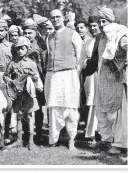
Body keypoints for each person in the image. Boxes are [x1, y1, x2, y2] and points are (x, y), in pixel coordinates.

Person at [82, 6, 127, 155]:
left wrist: (125, 61)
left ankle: (119, 144)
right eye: (100, 21)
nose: (101, 25)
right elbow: (95, 58)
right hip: (102, 79)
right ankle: (105, 141)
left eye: (104, 21)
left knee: (118, 114)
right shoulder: (100, 37)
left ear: (111, 21)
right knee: (101, 112)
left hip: (117, 79)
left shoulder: (120, 34)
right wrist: (85, 69)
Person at [44, 9, 83, 151]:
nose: (55, 20)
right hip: (54, 76)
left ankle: (71, 140)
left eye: (58, 17)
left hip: (70, 75)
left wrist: (73, 72)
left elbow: (80, 56)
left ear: (63, 18)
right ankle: (54, 139)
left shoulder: (73, 34)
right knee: (54, 106)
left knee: (71, 106)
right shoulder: (49, 37)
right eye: (52, 18)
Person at [3, 36, 43, 150]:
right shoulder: (12, 63)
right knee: (19, 116)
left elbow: (37, 78)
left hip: (29, 95)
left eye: (22, 48)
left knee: (30, 117)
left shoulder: (31, 63)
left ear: (27, 49)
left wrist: (32, 79)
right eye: (18, 48)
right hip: (17, 95)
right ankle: (19, 140)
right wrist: (11, 81)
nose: (20, 51)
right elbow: (5, 75)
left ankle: (31, 142)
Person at [22, 18, 47, 145]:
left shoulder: (40, 45)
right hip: (24, 79)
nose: (27, 35)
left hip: (38, 79)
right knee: (26, 106)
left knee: (37, 108)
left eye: (30, 33)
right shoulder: (22, 44)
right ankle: (27, 133)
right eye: (25, 33)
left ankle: (39, 134)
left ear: (35, 33)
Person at [78, 16, 101, 143]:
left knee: (99, 103)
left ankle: (101, 133)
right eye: (91, 26)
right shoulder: (87, 42)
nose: (93, 28)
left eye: (95, 25)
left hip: (101, 74)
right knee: (90, 102)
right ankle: (91, 133)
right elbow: (81, 60)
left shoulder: (104, 39)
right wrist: (86, 62)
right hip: (90, 76)